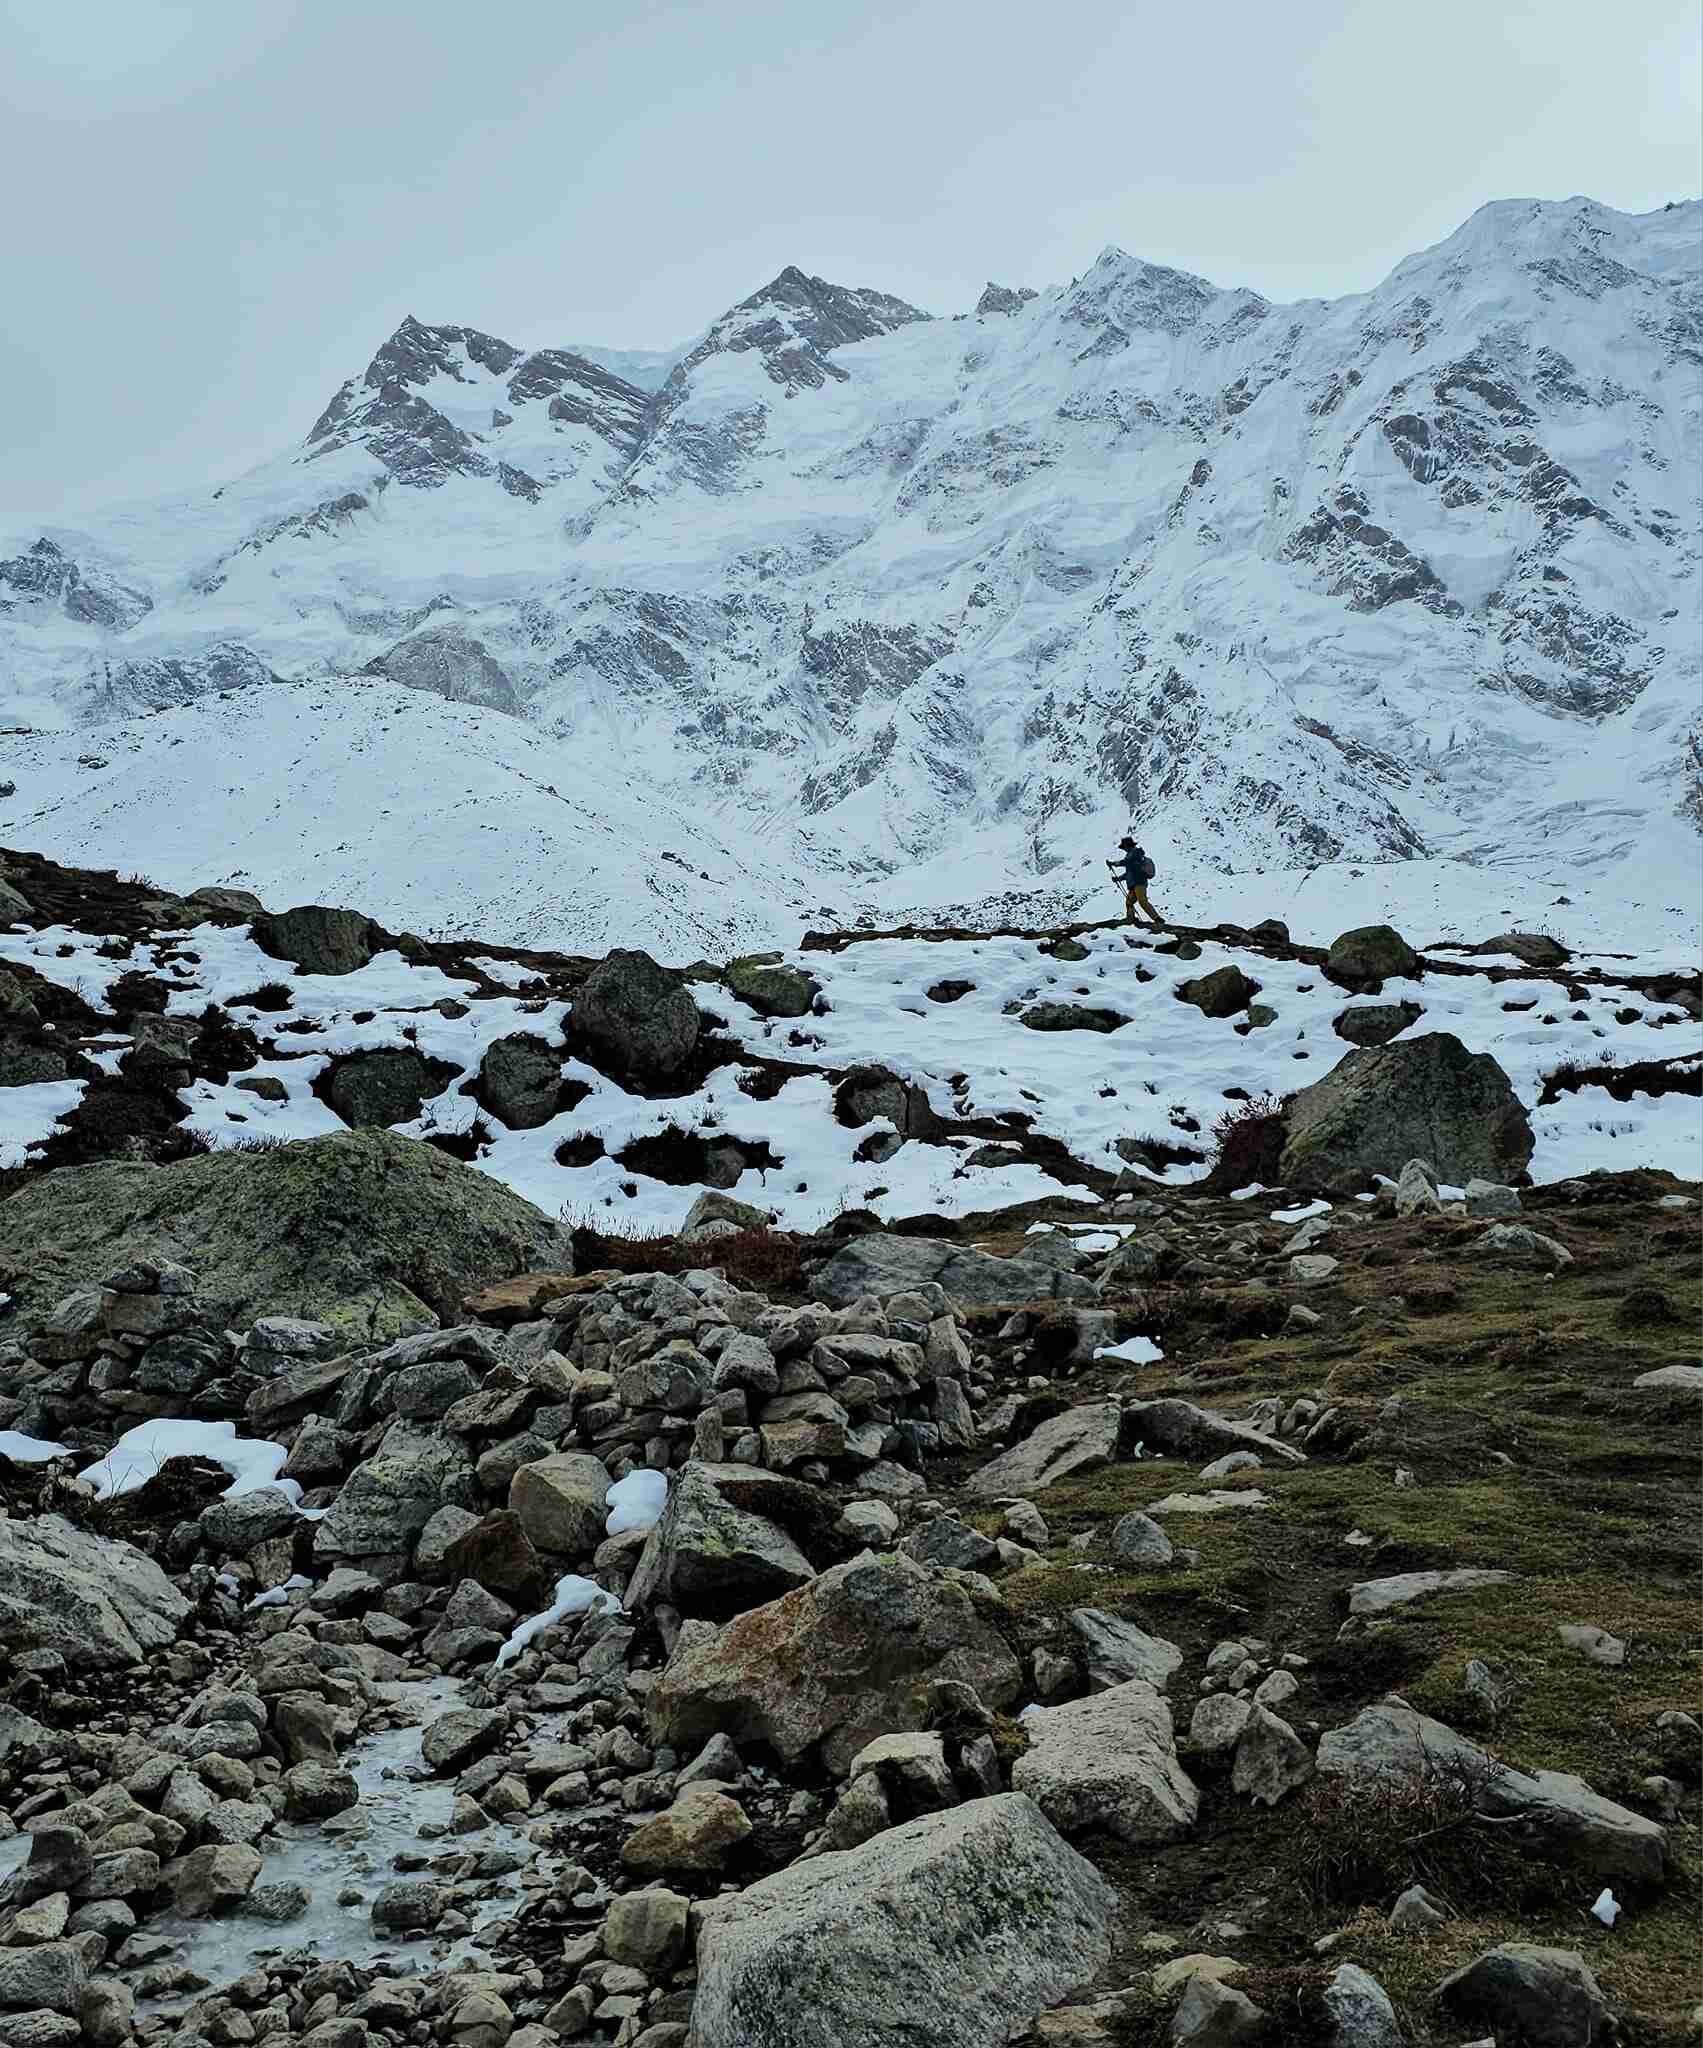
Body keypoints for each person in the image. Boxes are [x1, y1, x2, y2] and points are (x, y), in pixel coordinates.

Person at [1108, 834, 1163, 927]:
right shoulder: (1131, 855)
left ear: (1128, 846)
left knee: (1142, 901)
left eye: (1124, 847)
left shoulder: (1135, 853)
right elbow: (1129, 873)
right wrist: (1118, 879)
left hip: (1139, 882)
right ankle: (1130, 919)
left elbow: (1126, 863)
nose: (1124, 849)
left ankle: (1157, 919)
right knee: (1129, 902)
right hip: (1134, 884)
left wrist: (1113, 863)